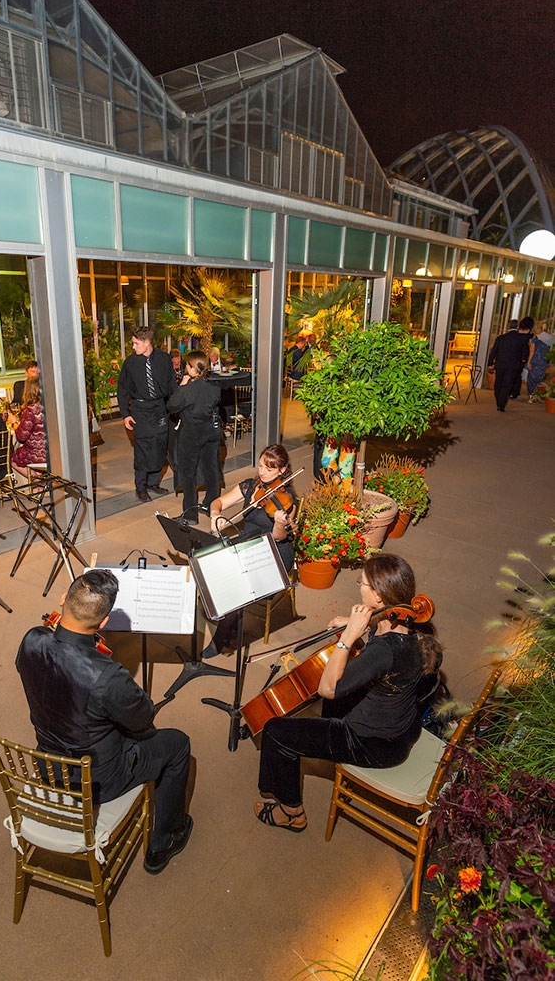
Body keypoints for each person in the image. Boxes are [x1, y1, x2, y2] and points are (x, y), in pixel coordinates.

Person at [16, 570, 193, 874]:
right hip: (98, 779)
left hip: (49, 764)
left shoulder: (33, 639)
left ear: (62, 601)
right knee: (177, 744)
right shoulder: (107, 676)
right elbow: (143, 719)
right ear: (104, 623)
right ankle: (163, 840)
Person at [254, 554, 443, 832]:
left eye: (362, 583)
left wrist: (347, 638)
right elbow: (385, 635)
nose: (359, 586)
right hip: (403, 726)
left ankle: (291, 812)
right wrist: (360, 624)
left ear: (378, 597)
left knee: (276, 732)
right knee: (330, 707)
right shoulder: (410, 626)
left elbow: (327, 689)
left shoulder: (383, 651)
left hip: (372, 743)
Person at [202, 444, 296, 657]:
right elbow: (218, 502)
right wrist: (215, 515)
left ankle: (222, 636)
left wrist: (280, 523)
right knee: (213, 566)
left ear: (282, 471)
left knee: (235, 583)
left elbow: (280, 537)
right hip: (249, 543)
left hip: (274, 553)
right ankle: (230, 617)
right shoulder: (249, 486)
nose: (262, 472)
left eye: (269, 469)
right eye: (261, 465)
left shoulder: (287, 500)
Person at [117, 327, 176, 502]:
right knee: (143, 449)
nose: (134, 347)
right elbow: (122, 389)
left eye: (136, 343)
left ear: (146, 342)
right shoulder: (130, 363)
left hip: (160, 408)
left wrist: (174, 408)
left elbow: (171, 385)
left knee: (159, 446)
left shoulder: (164, 359)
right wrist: (125, 414)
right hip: (140, 410)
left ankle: (153, 483)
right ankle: (140, 487)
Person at [166, 351, 223, 524]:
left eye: (187, 365)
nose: (185, 367)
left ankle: (190, 515)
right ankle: (210, 505)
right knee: (211, 468)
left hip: (192, 433)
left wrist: (182, 385)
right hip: (211, 433)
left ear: (192, 368)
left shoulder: (187, 390)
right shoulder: (214, 388)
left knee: (187, 473)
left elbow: (171, 406)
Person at [487, 318, 531, 411]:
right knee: (507, 384)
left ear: (508, 327)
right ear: (518, 327)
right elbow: (525, 352)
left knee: (498, 382)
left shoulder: (500, 338)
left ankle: (498, 400)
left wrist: (490, 363)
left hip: (500, 364)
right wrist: (523, 362)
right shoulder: (521, 339)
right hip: (513, 365)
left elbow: (493, 351)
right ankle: (501, 404)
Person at [6, 378, 47, 478]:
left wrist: (14, 422)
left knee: (11, 459)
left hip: (38, 454)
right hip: (53, 450)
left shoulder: (31, 409)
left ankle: (39, 483)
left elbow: (21, 437)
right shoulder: (50, 405)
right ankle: (38, 487)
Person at [527, 322, 555, 399]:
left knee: (531, 378)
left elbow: (532, 351)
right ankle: (537, 393)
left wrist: (529, 361)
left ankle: (531, 394)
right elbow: (549, 351)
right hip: (543, 361)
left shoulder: (535, 338)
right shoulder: (551, 340)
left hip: (535, 359)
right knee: (539, 377)